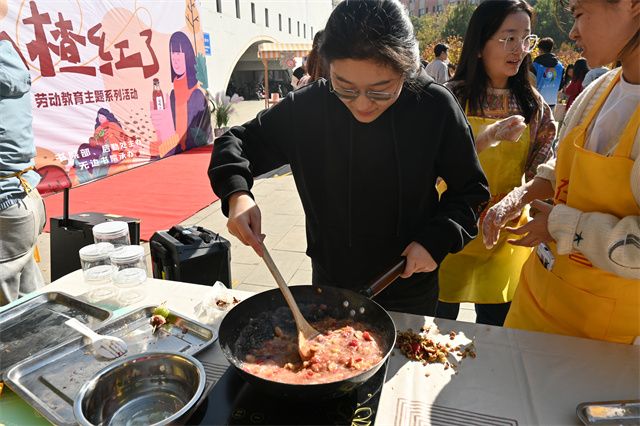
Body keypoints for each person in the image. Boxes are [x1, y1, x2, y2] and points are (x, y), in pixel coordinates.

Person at [208, 0, 490, 316]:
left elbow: (471, 192)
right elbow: (236, 141)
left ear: (406, 68)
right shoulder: (310, 108)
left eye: (381, 90)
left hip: (408, 286)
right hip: (330, 284)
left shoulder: (433, 107)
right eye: (345, 87)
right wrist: (237, 195)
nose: (362, 105)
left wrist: (436, 240)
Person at [483, 0, 640, 344]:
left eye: (580, 13)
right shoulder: (600, 89)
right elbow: (565, 163)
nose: (572, 32)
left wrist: (560, 225)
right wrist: (520, 196)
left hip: (600, 337)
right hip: (536, 306)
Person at [436, 0, 556, 326]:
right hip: (448, 231)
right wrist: (486, 138)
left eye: (525, 38)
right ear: (479, 46)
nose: (519, 48)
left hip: (504, 234)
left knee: (496, 330)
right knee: (434, 327)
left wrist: (520, 201)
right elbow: (429, 167)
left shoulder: (534, 106)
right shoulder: (449, 99)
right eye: (508, 37)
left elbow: (542, 170)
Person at [0, 40, 46, 305]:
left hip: (7, 205)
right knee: (30, 297)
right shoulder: (8, 59)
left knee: (9, 313)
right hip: (25, 195)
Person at [150, 31, 211, 158]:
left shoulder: (196, 95)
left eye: (179, 53)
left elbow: (199, 135)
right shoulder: (172, 94)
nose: (175, 58)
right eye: (172, 53)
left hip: (192, 154)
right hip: (175, 151)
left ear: (188, 56)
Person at [532, 37, 564, 109]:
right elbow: (561, 84)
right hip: (552, 100)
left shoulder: (535, 65)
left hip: (538, 100)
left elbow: (531, 82)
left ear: (540, 49)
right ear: (551, 48)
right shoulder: (560, 66)